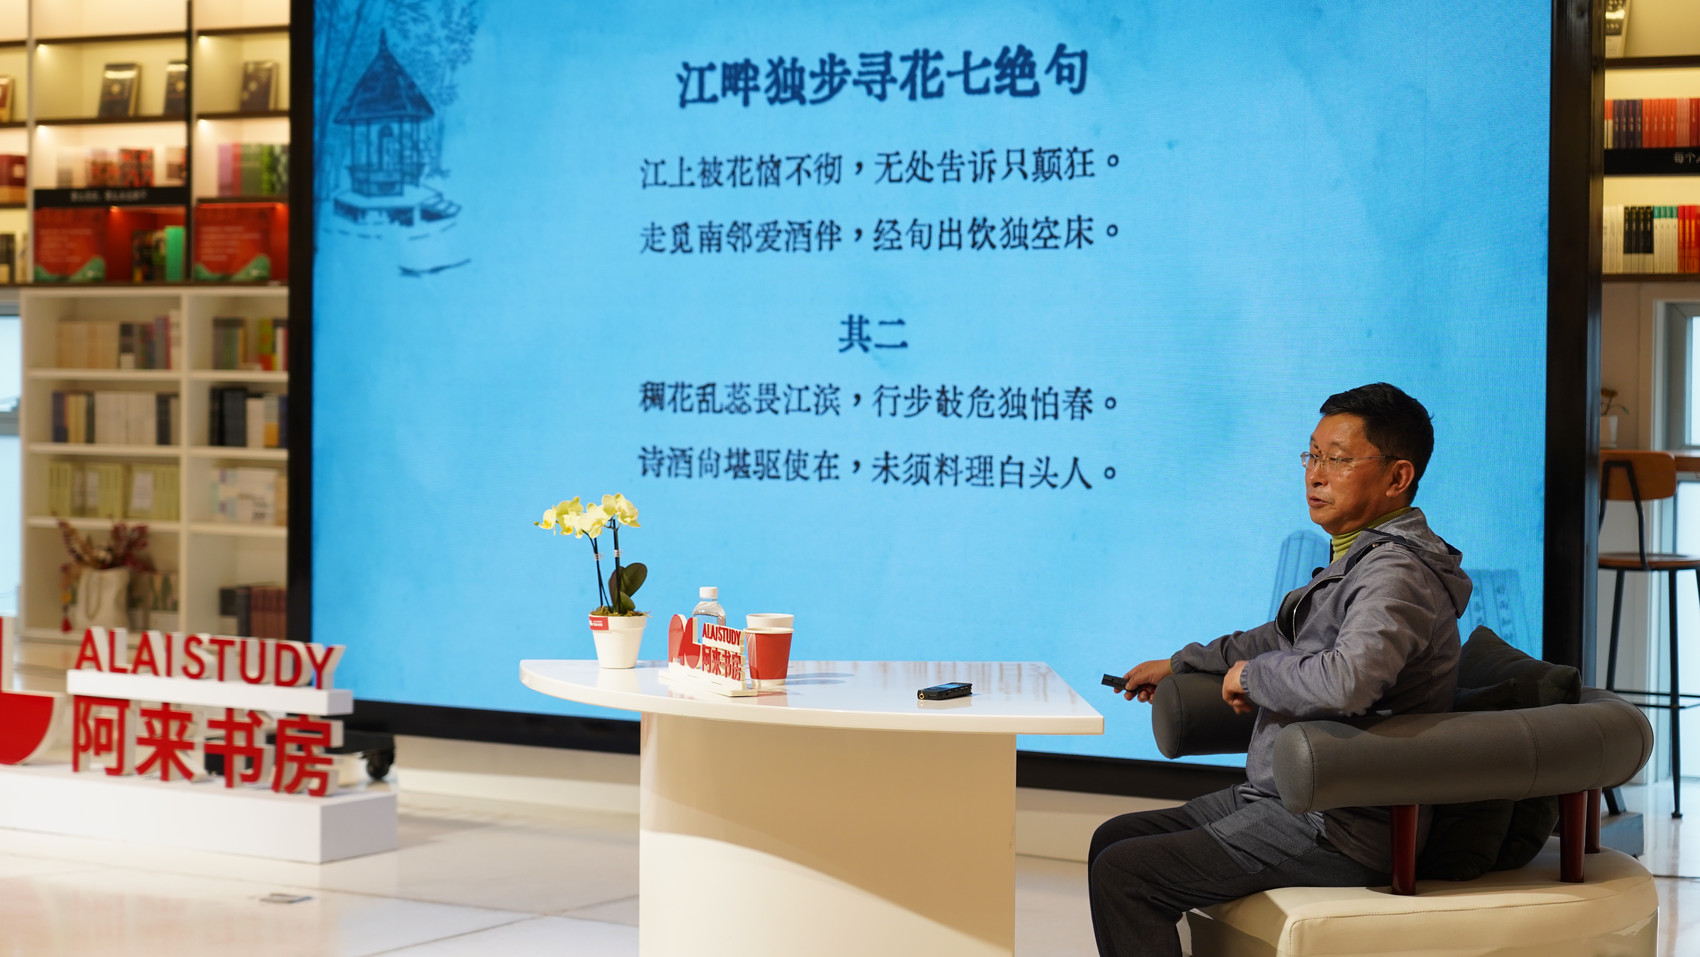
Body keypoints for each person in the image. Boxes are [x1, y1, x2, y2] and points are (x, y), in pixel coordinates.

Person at [1088, 382, 1473, 957]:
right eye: (1312, 456)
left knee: (1128, 873)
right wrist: (1179, 663)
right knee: (1114, 839)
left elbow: (1349, 679)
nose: (1315, 475)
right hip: (1286, 797)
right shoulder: (1357, 558)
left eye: (1338, 460)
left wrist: (1251, 677)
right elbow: (1280, 636)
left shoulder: (1396, 575)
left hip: (1340, 824)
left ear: (1397, 477)